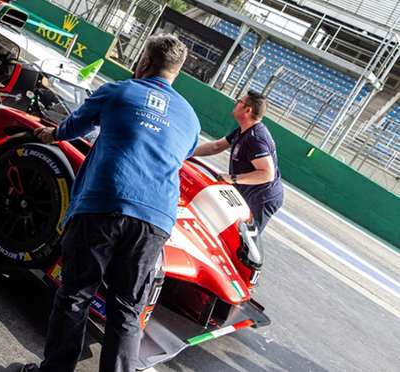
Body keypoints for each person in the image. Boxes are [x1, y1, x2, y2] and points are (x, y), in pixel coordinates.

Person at [20, 35, 201, 372]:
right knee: (128, 309)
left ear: (144, 61)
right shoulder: (191, 118)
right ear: (177, 71)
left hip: (103, 206)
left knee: (76, 294)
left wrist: (49, 134)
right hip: (156, 219)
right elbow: (179, 151)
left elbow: (74, 127)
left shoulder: (118, 90)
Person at [193, 90, 283, 233]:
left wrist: (233, 178)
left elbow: (267, 174)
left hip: (261, 196)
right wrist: (188, 152)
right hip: (248, 190)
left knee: (244, 238)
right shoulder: (243, 130)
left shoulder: (255, 138)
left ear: (248, 110)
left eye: (239, 101)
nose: (235, 103)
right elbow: (216, 146)